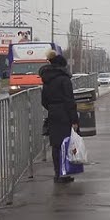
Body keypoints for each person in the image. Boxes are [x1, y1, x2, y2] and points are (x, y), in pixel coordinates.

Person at [39, 51, 80, 183]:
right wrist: (74, 120)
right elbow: (69, 100)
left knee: (55, 145)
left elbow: (43, 100)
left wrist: (52, 108)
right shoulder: (64, 79)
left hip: (53, 113)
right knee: (65, 144)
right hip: (64, 114)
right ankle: (64, 173)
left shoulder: (47, 80)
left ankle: (57, 174)